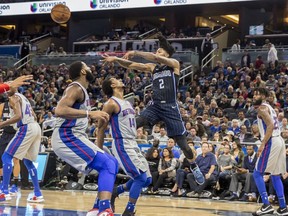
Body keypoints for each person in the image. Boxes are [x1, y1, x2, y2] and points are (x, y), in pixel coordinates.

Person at [101, 33, 203, 185]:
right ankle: (118, 143)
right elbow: (131, 65)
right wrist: (116, 60)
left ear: (167, 54)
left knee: (184, 146)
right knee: (134, 122)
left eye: (160, 51)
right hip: (155, 106)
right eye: (157, 51)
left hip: (170, 106)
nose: (157, 53)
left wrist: (135, 53)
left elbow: (156, 58)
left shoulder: (174, 64)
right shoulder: (153, 68)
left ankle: (194, 166)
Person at [51, 61, 118, 216]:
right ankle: (105, 209)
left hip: (73, 135)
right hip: (66, 136)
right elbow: (60, 110)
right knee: (107, 164)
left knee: (112, 163)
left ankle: (97, 208)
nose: (90, 69)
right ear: (82, 71)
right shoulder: (75, 88)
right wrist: (90, 114)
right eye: (88, 67)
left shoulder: (81, 90)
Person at [99, 77, 152, 216]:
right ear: (112, 85)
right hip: (122, 143)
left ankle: (116, 191)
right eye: (116, 79)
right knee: (140, 178)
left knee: (147, 180)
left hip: (132, 142)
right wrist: (98, 151)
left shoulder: (127, 102)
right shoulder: (110, 104)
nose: (120, 79)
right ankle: (129, 211)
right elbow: (100, 128)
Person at [0, 87, 43, 202]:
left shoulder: (13, 98)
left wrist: (2, 124)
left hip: (26, 128)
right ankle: (38, 194)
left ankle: (4, 192)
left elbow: (18, 116)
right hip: (35, 127)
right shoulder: (24, 98)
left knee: (6, 156)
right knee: (28, 162)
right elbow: (33, 115)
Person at [252, 87, 288, 215]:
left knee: (257, 173)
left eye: (258, 94)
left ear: (264, 96)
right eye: (254, 94)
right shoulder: (269, 107)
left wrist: (262, 144)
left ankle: (266, 205)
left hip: (271, 141)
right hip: (279, 141)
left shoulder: (262, 108)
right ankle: (283, 207)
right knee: (275, 175)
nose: (255, 96)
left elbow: (271, 125)